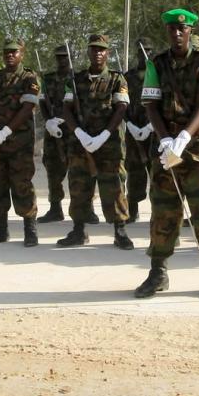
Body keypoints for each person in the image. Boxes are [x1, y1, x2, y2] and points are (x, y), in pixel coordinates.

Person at [134, 8, 199, 300]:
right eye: (172, 30)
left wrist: (185, 137)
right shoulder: (157, 63)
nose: (176, 34)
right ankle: (158, 273)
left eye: (182, 29)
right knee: (163, 209)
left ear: (189, 31)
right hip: (168, 147)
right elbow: (151, 105)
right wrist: (166, 141)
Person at [57, 34, 134, 249]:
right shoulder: (74, 79)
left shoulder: (118, 79)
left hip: (109, 145)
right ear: (88, 52)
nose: (98, 53)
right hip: (80, 144)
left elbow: (121, 109)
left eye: (102, 49)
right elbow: (67, 108)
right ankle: (78, 231)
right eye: (94, 49)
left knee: (114, 188)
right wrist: (80, 133)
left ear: (107, 53)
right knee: (79, 187)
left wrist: (104, 135)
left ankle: (120, 231)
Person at [0, 39, 41, 247]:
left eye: (14, 52)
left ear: (22, 54)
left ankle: (30, 230)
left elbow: (27, 109)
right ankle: (0, 229)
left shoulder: (29, 78)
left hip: (19, 142)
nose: (10, 55)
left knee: (22, 184)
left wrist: (6, 131)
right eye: (6, 52)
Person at [38, 45, 75, 225]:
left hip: (73, 130)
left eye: (65, 57)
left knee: (78, 170)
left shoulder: (77, 78)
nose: (62, 60)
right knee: (53, 169)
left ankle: (84, 209)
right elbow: (43, 102)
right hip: (52, 130)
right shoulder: (48, 79)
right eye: (59, 57)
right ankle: (55, 208)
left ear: (70, 57)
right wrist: (48, 121)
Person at [123, 39, 154, 222]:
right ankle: (132, 210)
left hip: (154, 131)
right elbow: (121, 104)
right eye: (142, 51)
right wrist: (129, 124)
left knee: (156, 172)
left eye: (149, 51)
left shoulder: (158, 75)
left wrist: (151, 126)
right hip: (133, 130)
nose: (145, 54)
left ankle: (158, 211)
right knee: (134, 170)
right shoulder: (128, 77)